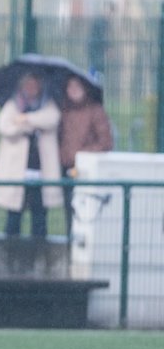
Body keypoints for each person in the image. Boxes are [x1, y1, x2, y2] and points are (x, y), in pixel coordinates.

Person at [0, 72, 61, 239]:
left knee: (39, 216)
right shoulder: (13, 104)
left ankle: (39, 254)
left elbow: (51, 119)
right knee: (14, 216)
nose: (31, 88)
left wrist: (25, 118)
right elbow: (5, 126)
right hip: (17, 171)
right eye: (28, 84)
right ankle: (11, 253)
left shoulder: (48, 103)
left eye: (35, 85)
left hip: (40, 171)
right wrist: (27, 127)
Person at [58, 75, 113, 235]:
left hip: (86, 168)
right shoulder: (64, 110)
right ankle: (71, 245)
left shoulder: (95, 111)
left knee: (86, 210)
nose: (73, 90)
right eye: (70, 87)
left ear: (85, 89)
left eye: (77, 86)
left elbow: (105, 142)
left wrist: (82, 154)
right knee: (69, 210)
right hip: (66, 166)